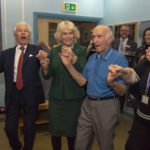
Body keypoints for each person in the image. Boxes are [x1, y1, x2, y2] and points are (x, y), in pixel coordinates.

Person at [59, 25, 128, 150]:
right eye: (93, 37)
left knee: (105, 145)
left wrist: (112, 83)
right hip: (87, 105)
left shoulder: (119, 58)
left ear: (109, 38)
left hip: (106, 106)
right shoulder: (91, 58)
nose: (95, 40)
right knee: (80, 144)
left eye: (99, 36)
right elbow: (82, 81)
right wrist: (68, 65)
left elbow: (123, 91)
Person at [37, 20, 87, 150]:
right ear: (60, 36)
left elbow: (83, 71)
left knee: (73, 134)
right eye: (64, 33)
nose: (68, 36)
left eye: (71, 33)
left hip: (75, 99)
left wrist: (73, 57)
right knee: (55, 133)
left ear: (75, 35)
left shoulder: (81, 50)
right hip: (56, 99)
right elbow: (48, 75)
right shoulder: (54, 51)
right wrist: (45, 66)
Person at [0, 21, 45, 150]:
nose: (23, 32)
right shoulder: (6, 54)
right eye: (20, 30)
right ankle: (17, 146)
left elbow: (48, 61)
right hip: (13, 94)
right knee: (9, 128)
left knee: (29, 128)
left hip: (31, 94)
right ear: (15, 35)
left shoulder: (37, 50)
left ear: (29, 35)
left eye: (26, 30)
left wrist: (45, 59)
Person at [124, 47, 150, 150]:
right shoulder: (143, 64)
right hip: (141, 115)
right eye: (148, 48)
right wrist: (121, 72)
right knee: (132, 146)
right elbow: (131, 78)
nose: (148, 51)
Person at [111, 25, 137, 113]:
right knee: (112, 90)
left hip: (125, 71)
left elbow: (134, 59)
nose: (124, 32)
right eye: (122, 30)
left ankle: (119, 112)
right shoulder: (114, 42)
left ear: (129, 32)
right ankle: (111, 111)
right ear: (120, 32)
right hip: (113, 70)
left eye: (126, 31)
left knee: (122, 92)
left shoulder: (133, 44)